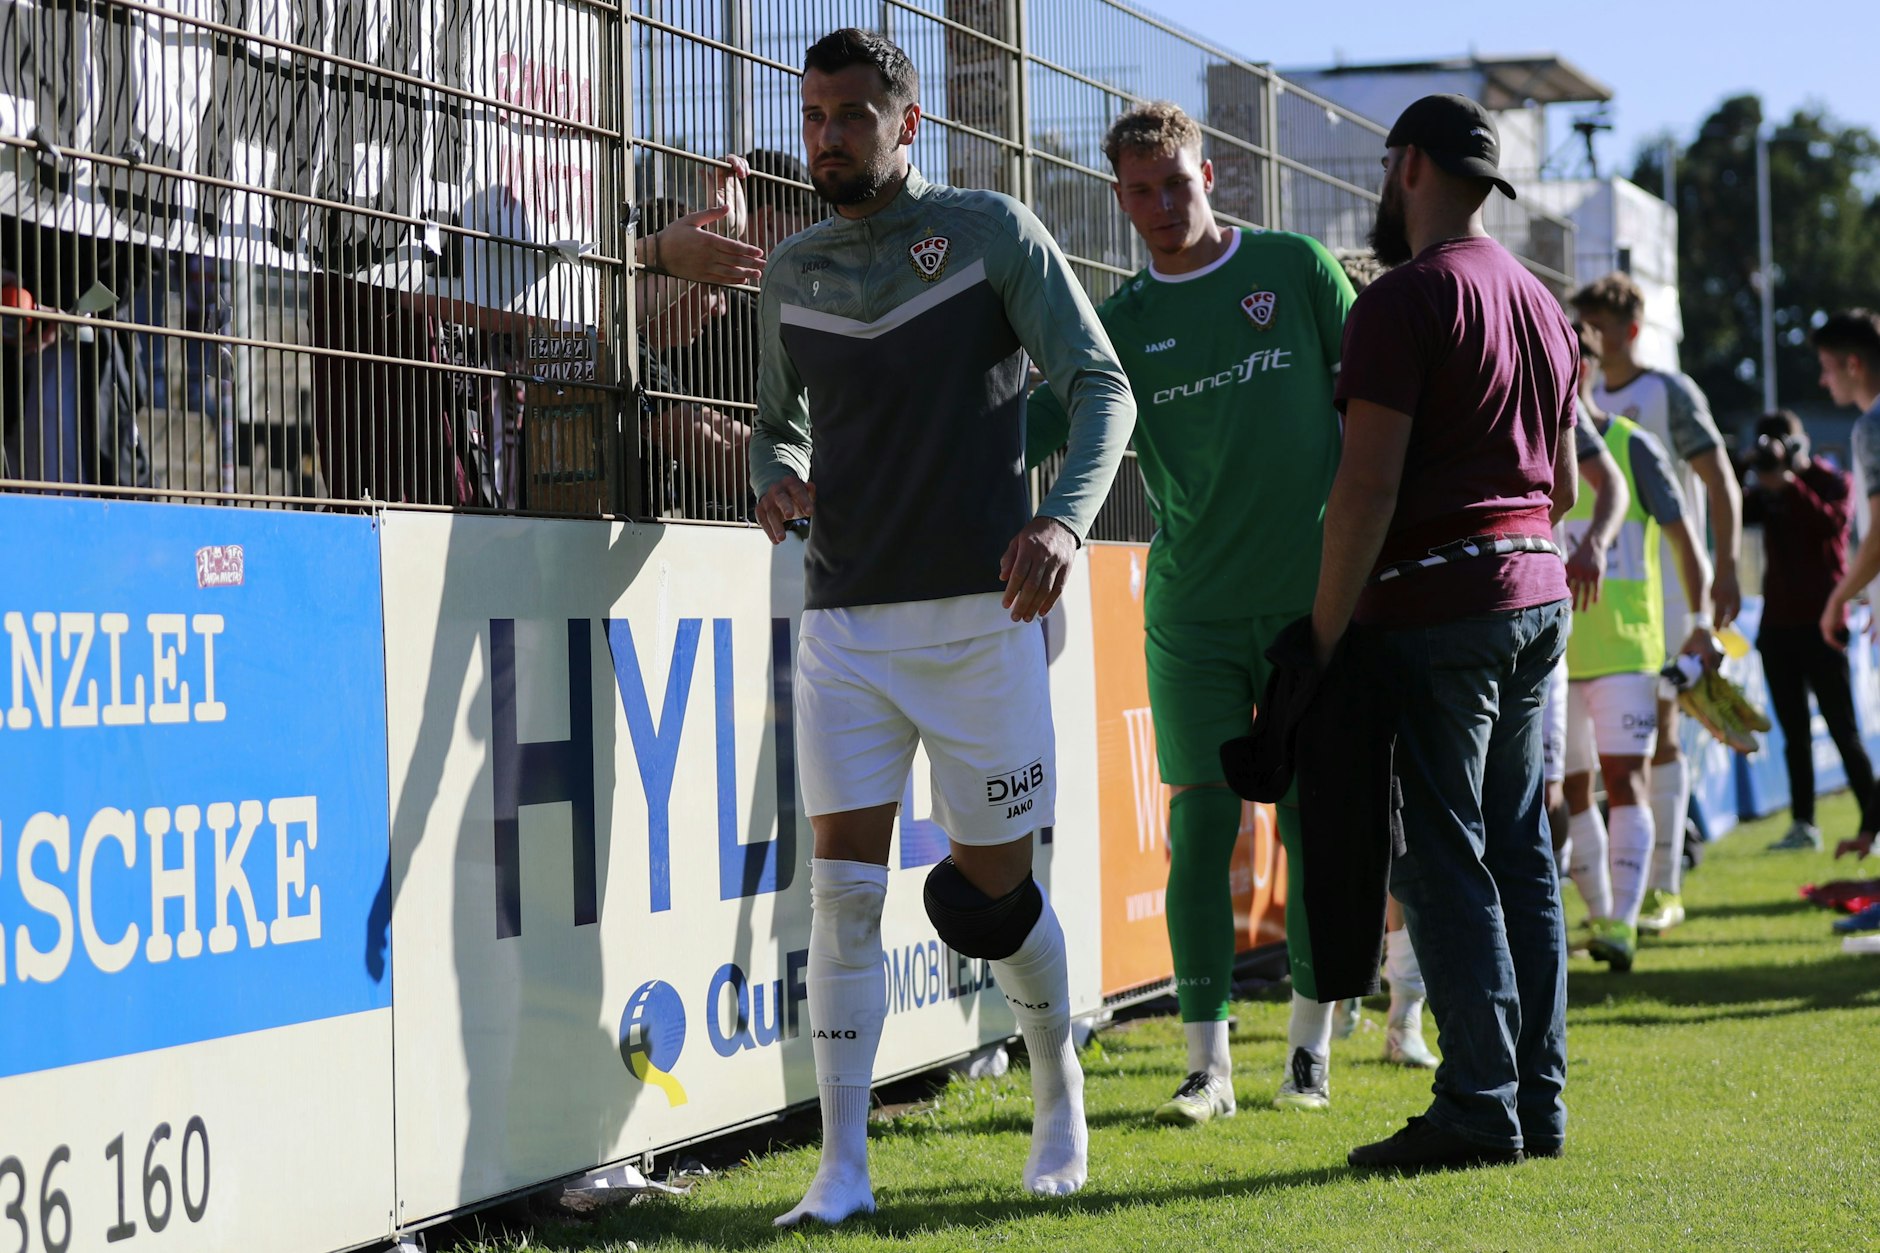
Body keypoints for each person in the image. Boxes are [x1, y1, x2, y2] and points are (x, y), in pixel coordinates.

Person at [750, 28, 1135, 1224]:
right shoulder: (790, 268)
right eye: (814, 116)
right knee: (844, 895)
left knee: (990, 898)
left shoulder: (988, 233)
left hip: (982, 621)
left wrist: (1065, 525)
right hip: (844, 628)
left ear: (906, 123)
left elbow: (1102, 389)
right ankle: (842, 1166)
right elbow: (774, 426)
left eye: (853, 115)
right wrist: (773, 467)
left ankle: (1054, 1078)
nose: (827, 137)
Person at [1028, 100, 1364, 1122]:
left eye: (1172, 182)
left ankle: (1306, 1049)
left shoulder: (1297, 269)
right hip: (1190, 610)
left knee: (1313, 825)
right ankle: (1205, 1065)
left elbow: (1371, 409)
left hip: (1311, 607)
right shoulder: (1120, 321)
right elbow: (1035, 422)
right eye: (1135, 190)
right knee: (1201, 824)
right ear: (1116, 196)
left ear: (1207, 174)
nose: (1157, 205)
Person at [1316, 94, 1576, 1172]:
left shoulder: (1401, 300)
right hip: (1534, 589)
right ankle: (1530, 1097)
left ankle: (1479, 1101)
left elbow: (1364, 487)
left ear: (1405, 164)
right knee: (1516, 852)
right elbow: (1560, 480)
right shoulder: (1538, 300)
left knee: (1442, 854)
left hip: (1441, 603)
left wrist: (1321, 635)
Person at [1572, 272, 1742, 935]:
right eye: (1584, 326)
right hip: (1606, 600)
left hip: (1666, 585)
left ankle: (1662, 885)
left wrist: (1724, 565)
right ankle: (1631, 893)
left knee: (1663, 736)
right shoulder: (1570, 405)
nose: (1593, 338)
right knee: (1619, 754)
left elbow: (1718, 476)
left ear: (1631, 330)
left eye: (1603, 327)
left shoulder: (1665, 393)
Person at [1743, 409, 1874, 853]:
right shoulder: (1764, 488)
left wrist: (1792, 483)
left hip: (1824, 625)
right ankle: (1803, 825)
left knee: (1844, 729)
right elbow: (1736, 510)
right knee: (1793, 735)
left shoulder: (1832, 480)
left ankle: (1873, 826)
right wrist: (1747, 469)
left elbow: (1832, 525)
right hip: (1777, 629)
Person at [1815, 311, 1880, 939]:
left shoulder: (1872, 425)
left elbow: (1878, 535)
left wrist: (1840, 598)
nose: (1823, 378)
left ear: (1853, 364)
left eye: (1828, 365)